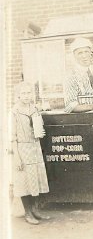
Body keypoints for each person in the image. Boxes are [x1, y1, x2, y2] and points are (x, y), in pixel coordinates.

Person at [11, 82, 50, 225]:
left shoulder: (34, 109)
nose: (27, 96)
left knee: (35, 180)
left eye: (29, 93)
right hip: (22, 149)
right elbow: (12, 137)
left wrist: (40, 131)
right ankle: (27, 212)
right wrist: (16, 157)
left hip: (35, 147)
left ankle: (35, 210)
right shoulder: (14, 112)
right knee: (24, 182)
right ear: (18, 95)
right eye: (24, 93)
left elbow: (37, 127)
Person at [64, 37, 93, 113]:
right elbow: (70, 106)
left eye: (86, 51)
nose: (84, 56)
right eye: (80, 53)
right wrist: (91, 107)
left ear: (91, 53)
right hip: (85, 117)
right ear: (74, 56)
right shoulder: (71, 76)